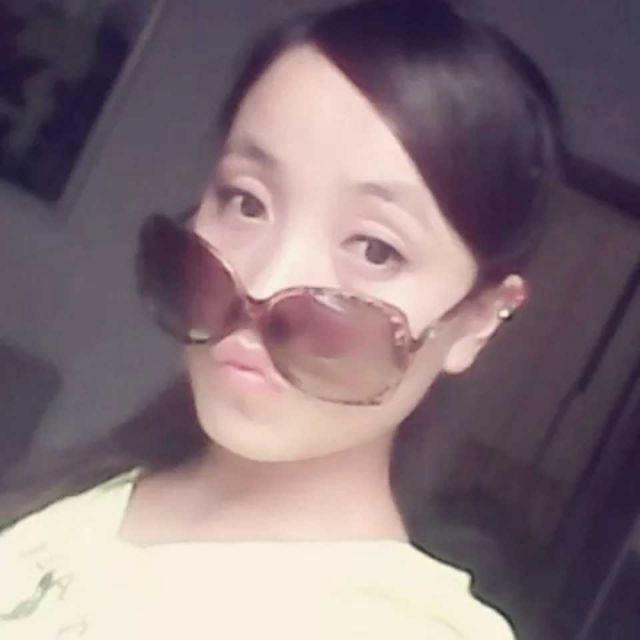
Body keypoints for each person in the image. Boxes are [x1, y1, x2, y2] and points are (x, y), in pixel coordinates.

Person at [0, 0, 561, 637]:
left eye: (375, 248)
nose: (263, 284)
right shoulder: (96, 491)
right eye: (246, 202)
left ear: (480, 319)